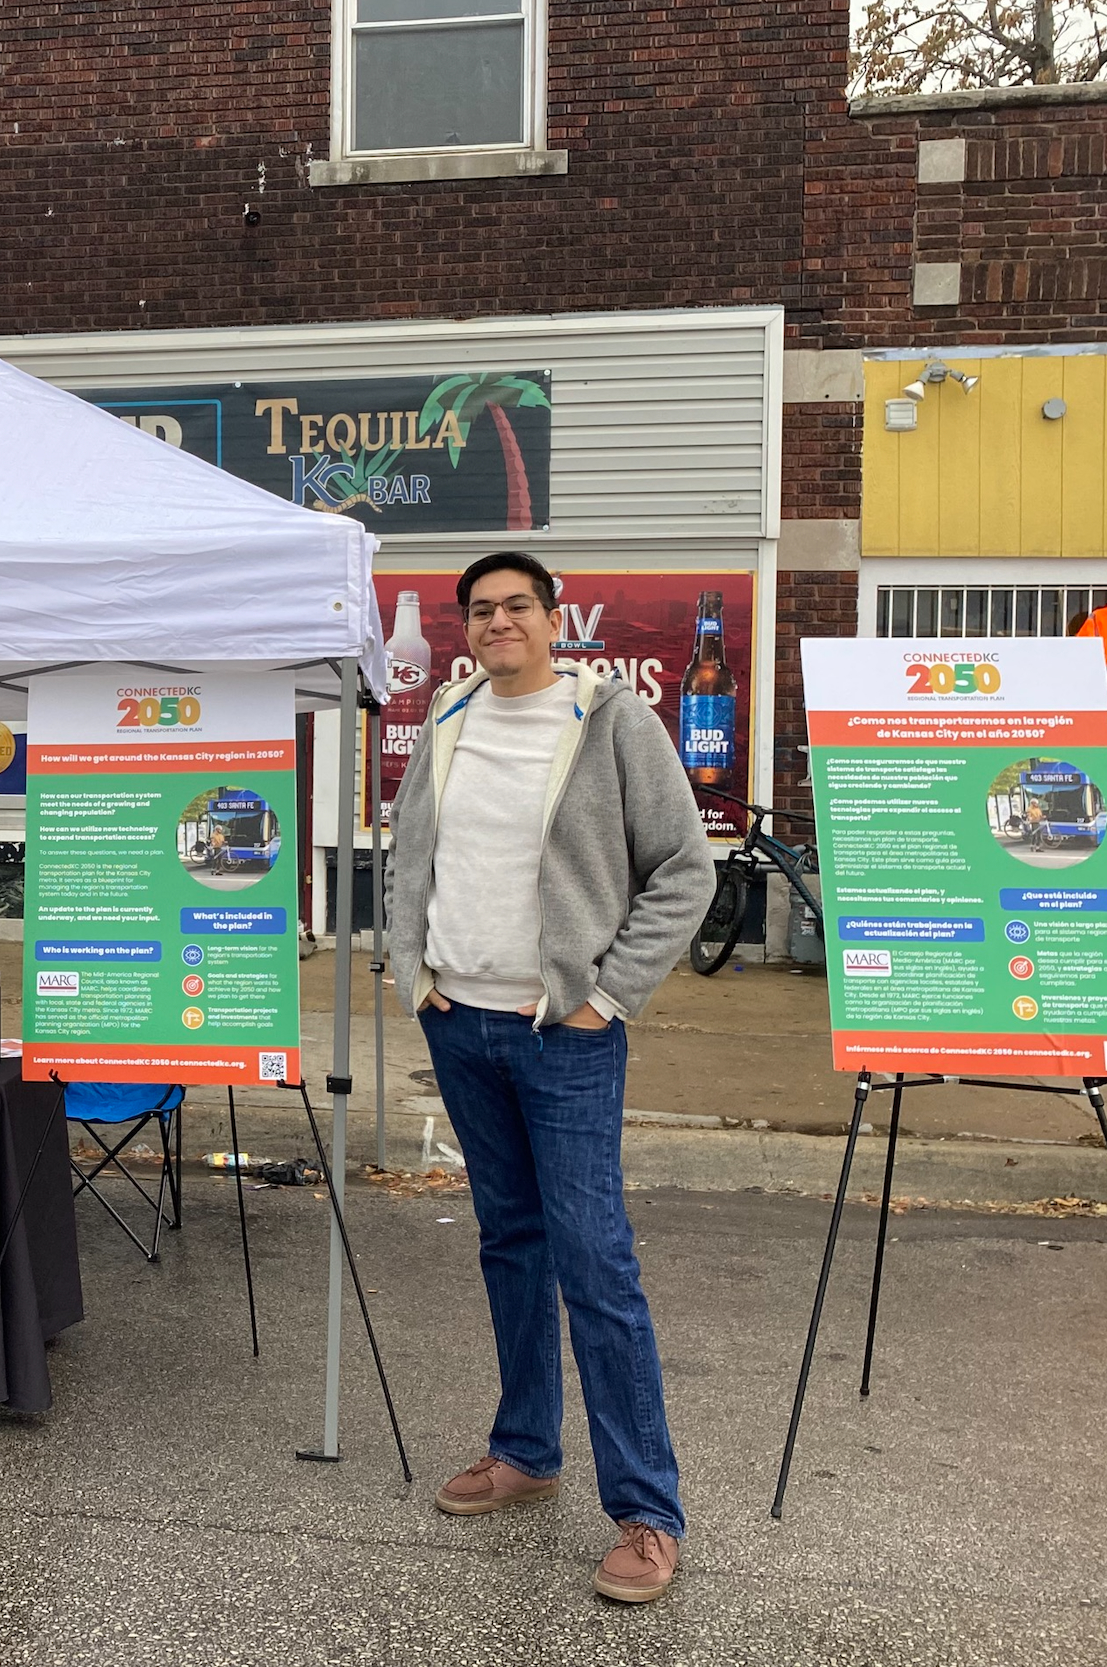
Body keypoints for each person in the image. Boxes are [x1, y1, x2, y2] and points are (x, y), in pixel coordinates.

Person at [386, 552, 714, 1604]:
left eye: (515, 606)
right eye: (479, 611)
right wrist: (412, 973)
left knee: (593, 1264)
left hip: (562, 1033)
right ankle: (524, 1452)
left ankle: (645, 1515)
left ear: (550, 617)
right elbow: (406, 859)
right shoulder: (445, 723)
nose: (497, 624)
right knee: (510, 1247)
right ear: (464, 628)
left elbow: (683, 869)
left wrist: (604, 995)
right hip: (460, 1024)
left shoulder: (608, 720)